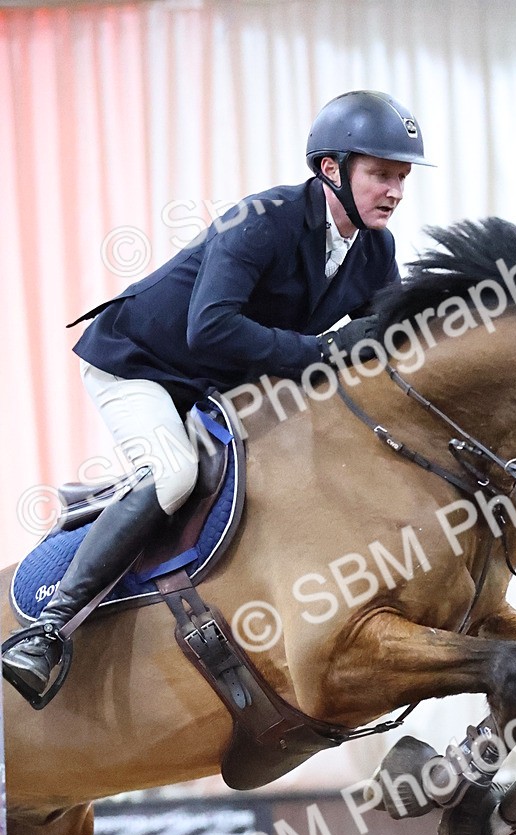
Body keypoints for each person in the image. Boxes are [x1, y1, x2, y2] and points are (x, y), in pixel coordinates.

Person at [3, 89, 434, 698]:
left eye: (401, 177)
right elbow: (210, 326)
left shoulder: (375, 251)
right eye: (381, 175)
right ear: (332, 169)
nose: (393, 190)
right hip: (141, 363)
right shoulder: (262, 221)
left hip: (218, 381)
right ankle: (48, 632)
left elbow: (390, 339)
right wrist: (319, 353)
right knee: (175, 473)